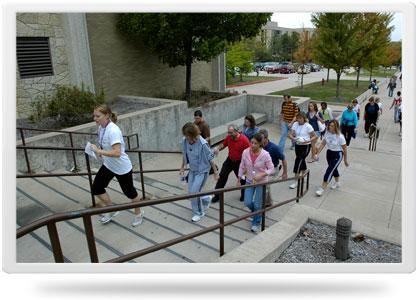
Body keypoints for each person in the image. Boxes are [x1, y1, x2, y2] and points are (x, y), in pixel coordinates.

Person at [90, 104, 144, 227]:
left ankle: (139, 213)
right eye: (94, 116)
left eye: (98, 116)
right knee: (97, 188)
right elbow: (106, 146)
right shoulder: (101, 128)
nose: (95, 118)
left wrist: (99, 151)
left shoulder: (113, 130)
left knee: (130, 193)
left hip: (122, 168)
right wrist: (98, 151)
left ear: (107, 115)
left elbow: (117, 152)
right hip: (109, 165)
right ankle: (111, 209)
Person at [180, 123, 219, 222]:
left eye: (187, 135)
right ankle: (206, 198)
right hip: (192, 170)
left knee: (194, 192)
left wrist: (215, 172)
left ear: (193, 134)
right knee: (191, 192)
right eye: (185, 135)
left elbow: (210, 158)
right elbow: (185, 155)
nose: (186, 137)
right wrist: (182, 167)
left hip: (202, 171)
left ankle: (199, 213)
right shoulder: (184, 141)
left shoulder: (202, 143)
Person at [237, 133, 274, 233]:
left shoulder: (265, 155)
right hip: (249, 180)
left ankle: (256, 222)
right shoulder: (245, 152)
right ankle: (258, 213)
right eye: (251, 142)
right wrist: (239, 178)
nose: (252, 145)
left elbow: (271, 169)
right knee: (247, 202)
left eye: (255, 143)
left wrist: (262, 174)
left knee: (258, 205)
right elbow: (242, 165)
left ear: (260, 144)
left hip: (261, 182)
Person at [212, 124, 251, 203]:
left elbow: (249, 154)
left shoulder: (244, 140)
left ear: (236, 131)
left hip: (240, 163)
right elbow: (224, 144)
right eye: (228, 132)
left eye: (231, 133)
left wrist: (246, 168)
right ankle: (217, 195)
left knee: (242, 180)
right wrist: (218, 148)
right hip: (229, 161)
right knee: (222, 176)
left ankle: (244, 195)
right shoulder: (229, 137)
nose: (229, 135)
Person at [315, 120, 349, 196]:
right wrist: (317, 153)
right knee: (333, 169)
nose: (330, 127)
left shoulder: (340, 136)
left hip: (337, 155)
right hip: (329, 153)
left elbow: (345, 149)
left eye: (332, 126)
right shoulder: (327, 133)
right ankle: (337, 182)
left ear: (336, 127)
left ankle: (322, 188)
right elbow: (323, 143)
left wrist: (345, 160)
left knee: (329, 171)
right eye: (329, 125)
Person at [287, 112, 318, 189]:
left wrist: (307, 141)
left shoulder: (308, 126)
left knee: (298, 161)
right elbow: (290, 134)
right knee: (301, 160)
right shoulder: (295, 124)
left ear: (304, 118)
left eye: (300, 118)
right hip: (298, 145)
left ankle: (296, 181)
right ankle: (304, 173)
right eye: (298, 118)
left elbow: (315, 136)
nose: (299, 120)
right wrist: (293, 138)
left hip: (306, 146)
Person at [259, 128, 288, 207]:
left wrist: (285, 173)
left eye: (260, 138)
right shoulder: (259, 146)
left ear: (266, 138)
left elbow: (284, 159)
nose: (259, 140)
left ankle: (262, 204)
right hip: (263, 169)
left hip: (273, 170)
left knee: (265, 186)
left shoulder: (274, 148)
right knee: (264, 186)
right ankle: (268, 203)